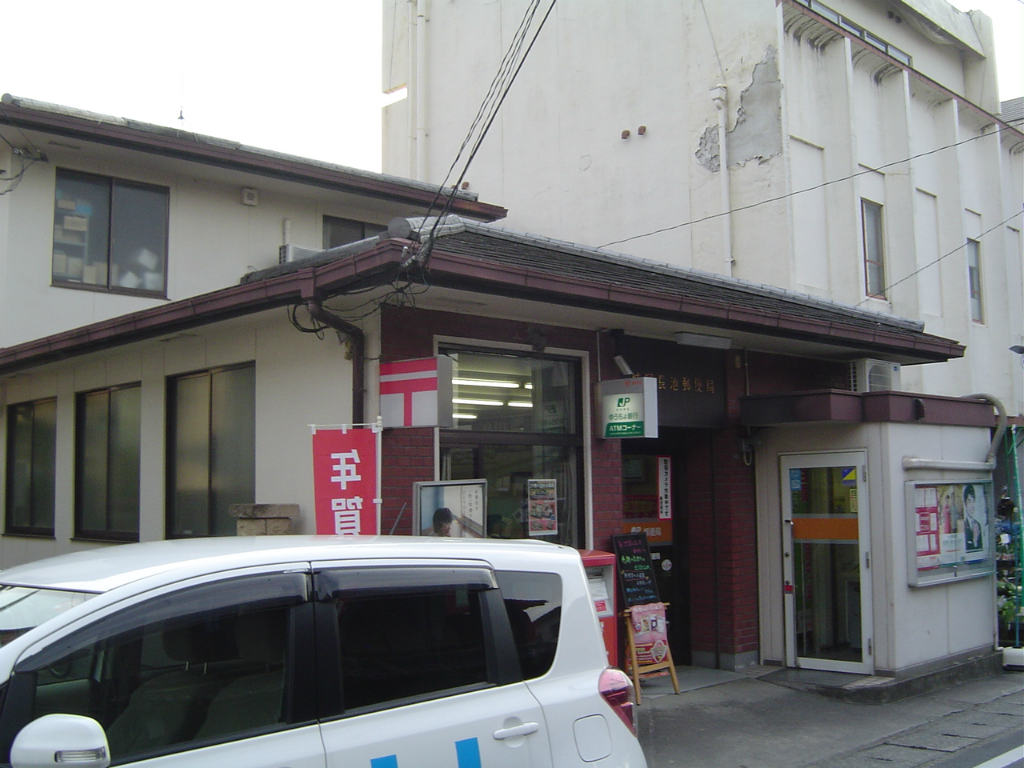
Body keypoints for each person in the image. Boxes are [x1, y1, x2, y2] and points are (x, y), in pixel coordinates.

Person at [963, 484, 983, 552]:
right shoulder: (964, 525)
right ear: (965, 503)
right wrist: (974, 540)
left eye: (973, 501)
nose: (972, 505)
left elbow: (980, 548)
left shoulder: (978, 524)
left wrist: (976, 541)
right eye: (969, 501)